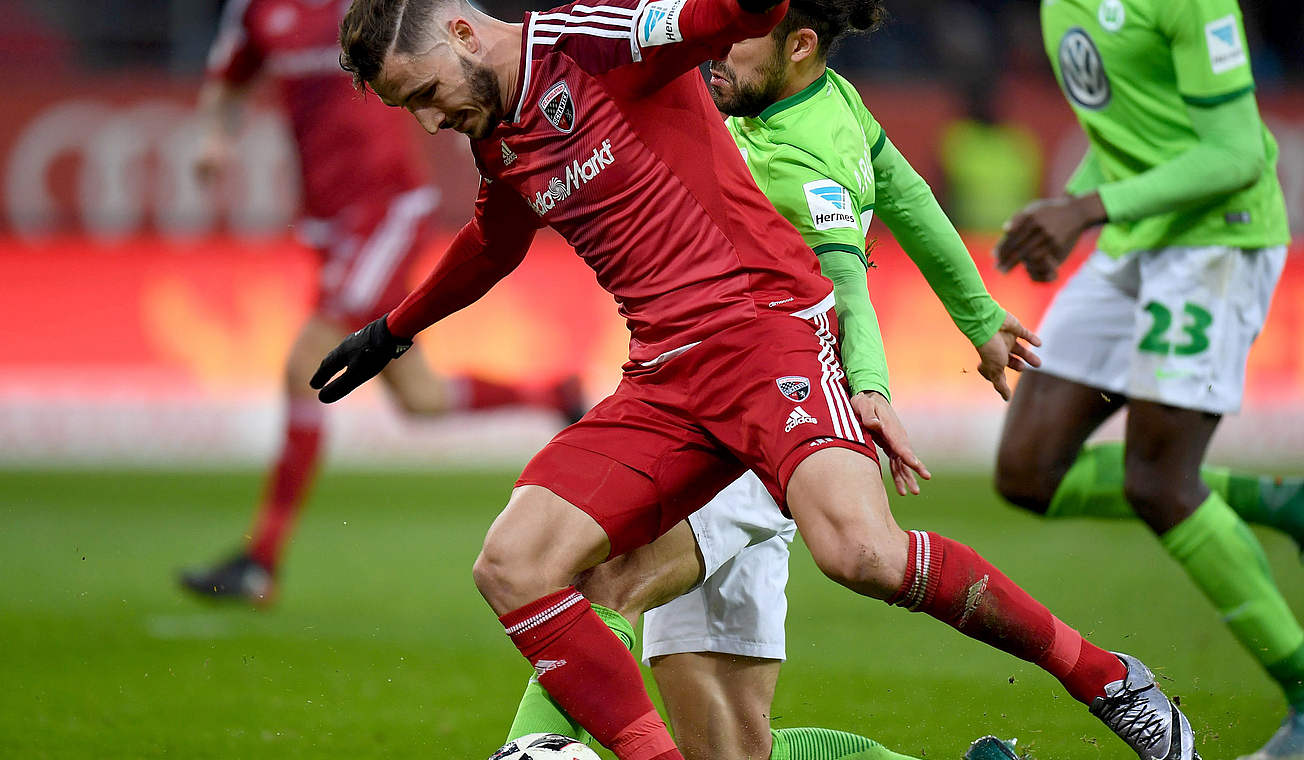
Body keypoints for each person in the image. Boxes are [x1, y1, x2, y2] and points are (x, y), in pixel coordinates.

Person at [317, 0, 1199, 758]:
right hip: (664, 375)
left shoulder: (595, 39)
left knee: (861, 554)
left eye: (426, 95)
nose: (430, 122)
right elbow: (494, 241)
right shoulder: (500, 135)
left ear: (465, 34)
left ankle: (1111, 681)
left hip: (765, 334)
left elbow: (729, 17)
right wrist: (392, 333)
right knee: (512, 566)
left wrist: (880, 376)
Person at [500, 2, 1048, 759]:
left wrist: (871, 386)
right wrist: (981, 316)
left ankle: (529, 745)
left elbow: (845, 281)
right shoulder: (831, 103)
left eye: (736, 39)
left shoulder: (803, 152)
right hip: (721, 404)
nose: (714, 52)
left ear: (798, 44)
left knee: (608, 576)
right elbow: (912, 197)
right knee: (731, 752)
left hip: (759, 418)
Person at [178, 0, 582, 605]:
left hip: (383, 209)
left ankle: (260, 559)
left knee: (304, 367)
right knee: (419, 399)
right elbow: (227, 82)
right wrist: (214, 137)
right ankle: (555, 395)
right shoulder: (256, 11)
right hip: (326, 217)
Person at [992, 2, 1298, 759]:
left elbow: (1236, 156)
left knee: (1158, 482)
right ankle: (1272, 501)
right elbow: (1128, 132)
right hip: (1137, 242)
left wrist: (1088, 208)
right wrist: (1071, 210)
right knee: (1028, 472)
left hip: (1217, 241)